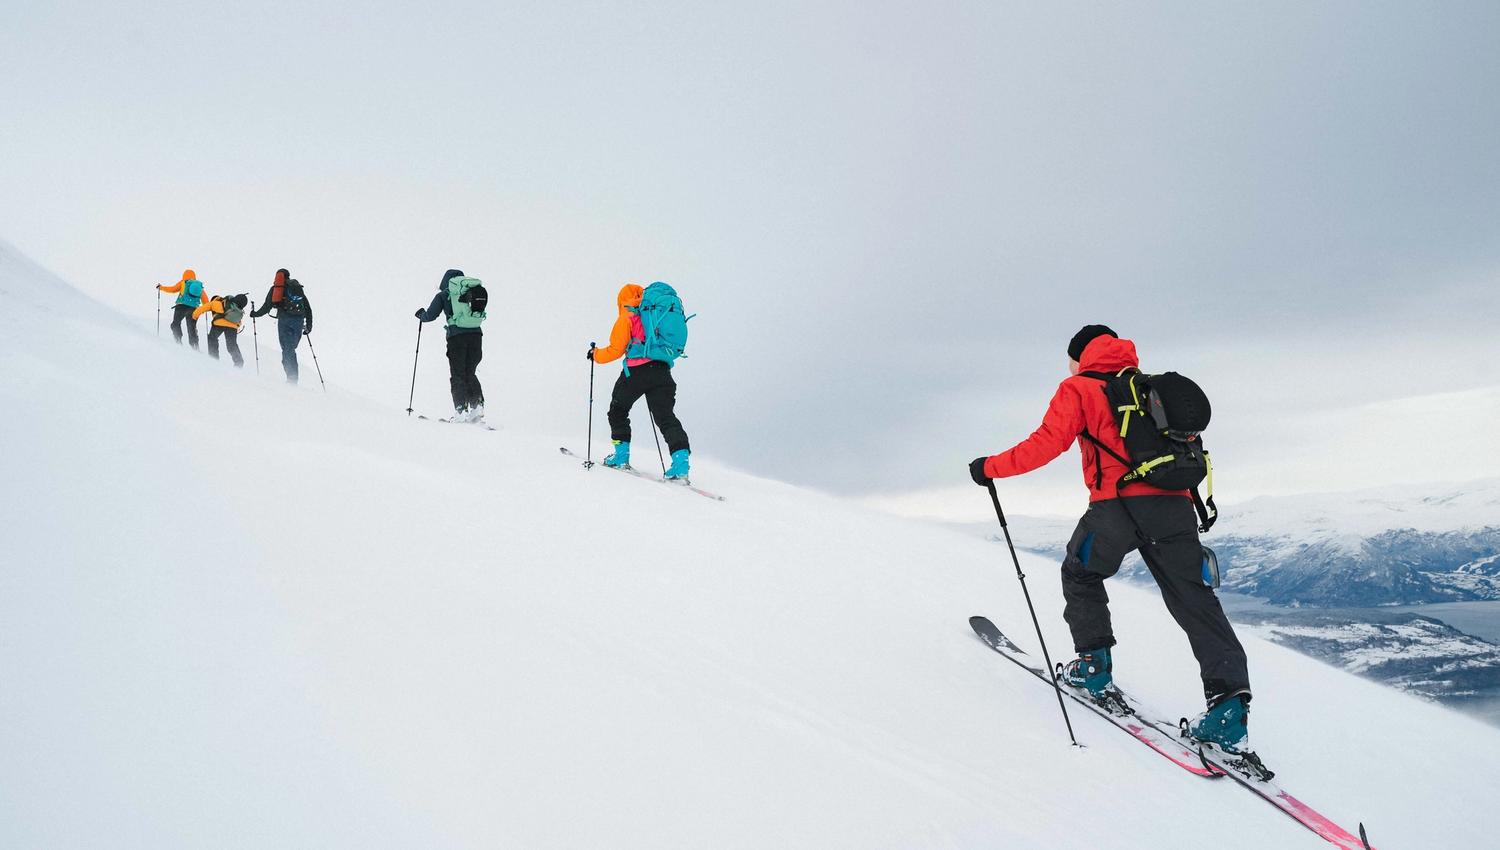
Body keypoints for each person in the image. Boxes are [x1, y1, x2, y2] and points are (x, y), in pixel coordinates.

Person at [968, 325, 1252, 751]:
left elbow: (1046, 444)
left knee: (1080, 573)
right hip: (1174, 507)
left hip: (1117, 506)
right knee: (1195, 599)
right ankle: (1229, 709)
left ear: (1080, 355)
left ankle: (1093, 667)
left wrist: (989, 468)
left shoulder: (1079, 388)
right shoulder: (1151, 389)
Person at [588, 283, 690, 480]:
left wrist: (595, 355)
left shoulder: (629, 314)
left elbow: (616, 349)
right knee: (666, 417)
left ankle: (620, 456)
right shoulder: (654, 313)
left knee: (618, 411)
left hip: (636, 371)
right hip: (662, 371)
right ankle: (681, 465)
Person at [415, 269, 486, 422]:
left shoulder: (444, 295)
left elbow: (430, 315)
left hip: (457, 338)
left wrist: (421, 315)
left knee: (458, 374)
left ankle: (460, 411)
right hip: (476, 336)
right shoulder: (471, 291)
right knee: (470, 372)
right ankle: (476, 407)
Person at [250, 269, 313, 383]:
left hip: (284, 320)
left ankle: (291, 378)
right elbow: (308, 308)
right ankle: (292, 376)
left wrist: (255, 314)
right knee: (291, 348)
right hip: (298, 322)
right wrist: (309, 325)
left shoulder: (277, 288)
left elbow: (267, 306)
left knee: (287, 349)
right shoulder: (297, 288)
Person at [193, 293, 249, 367]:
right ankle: (239, 362)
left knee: (212, 338)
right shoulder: (235, 308)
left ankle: (213, 358)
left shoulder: (215, 303)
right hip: (232, 327)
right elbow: (238, 321)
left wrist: (194, 316)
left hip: (219, 324)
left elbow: (201, 309)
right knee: (231, 345)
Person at [157, 269, 207, 349]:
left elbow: (172, 289)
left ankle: (178, 341)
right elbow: (205, 299)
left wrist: (161, 288)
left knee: (175, 324)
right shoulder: (198, 286)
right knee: (191, 327)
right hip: (194, 308)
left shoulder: (183, 282)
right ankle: (194, 346)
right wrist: (205, 309)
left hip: (181, 306)